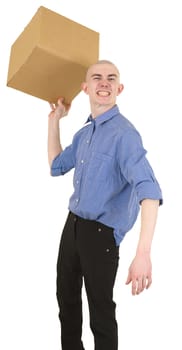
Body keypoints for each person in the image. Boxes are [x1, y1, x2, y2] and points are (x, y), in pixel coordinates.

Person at [47, 60, 163, 350]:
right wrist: (54, 121)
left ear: (119, 89)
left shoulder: (125, 136)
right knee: (67, 303)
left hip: (101, 236)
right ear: (85, 88)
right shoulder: (85, 133)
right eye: (96, 78)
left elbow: (149, 192)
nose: (104, 83)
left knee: (101, 314)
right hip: (72, 226)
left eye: (111, 78)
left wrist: (143, 253)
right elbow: (56, 165)